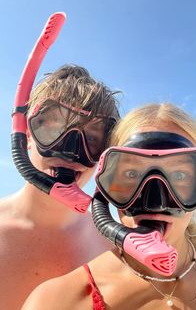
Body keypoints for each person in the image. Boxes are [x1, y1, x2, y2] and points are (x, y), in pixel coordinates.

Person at [22, 103, 196, 310]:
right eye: (132, 174)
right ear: (104, 187)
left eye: (179, 175)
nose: (155, 203)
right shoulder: (58, 302)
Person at [0, 64, 120, 310]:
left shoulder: (113, 244)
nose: (70, 152)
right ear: (26, 134)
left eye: (92, 139)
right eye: (55, 129)